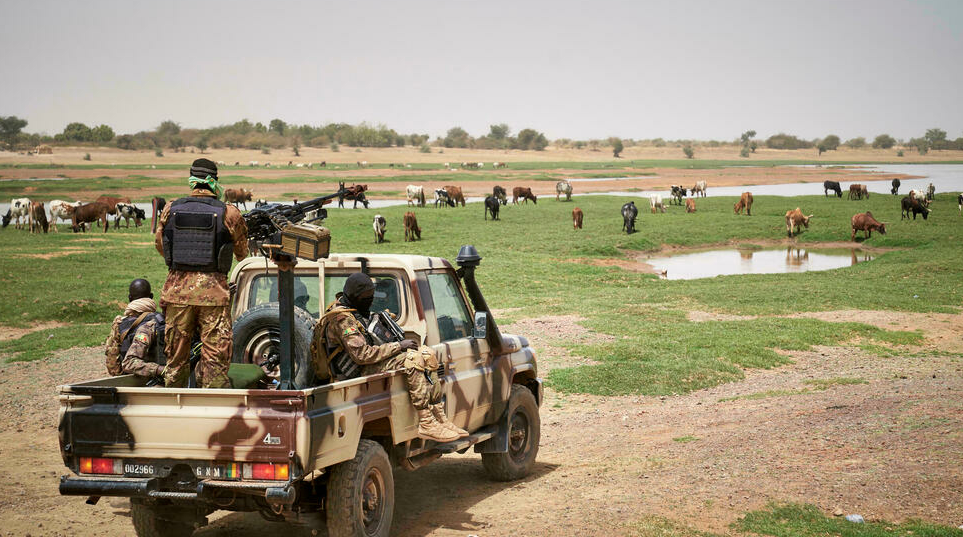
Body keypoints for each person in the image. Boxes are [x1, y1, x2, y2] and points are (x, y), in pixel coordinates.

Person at [312, 273, 467, 442]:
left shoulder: (355, 310)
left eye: (371, 296)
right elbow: (362, 355)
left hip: (370, 362)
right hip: (357, 371)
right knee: (413, 359)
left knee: (427, 354)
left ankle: (440, 417)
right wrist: (398, 346)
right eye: (366, 297)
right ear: (355, 297)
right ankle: (426, 422)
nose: (370, 300)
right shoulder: (341, 319)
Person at [154, 158, 248, 388]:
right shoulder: (229, 212)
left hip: (177, 295)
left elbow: (160, 245)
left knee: (175, 360)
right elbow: (242, 254)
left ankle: (173, 408)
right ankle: (213, 412)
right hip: (213, 297)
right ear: (214, 181)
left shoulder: (170, 208)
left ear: (192, 180)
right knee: (215, 361)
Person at [104, 279, 165, 380]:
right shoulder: (161, 321)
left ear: (130, 298)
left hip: (131, 381)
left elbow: (113, 366)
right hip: (160, 378)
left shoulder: (119, 324)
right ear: (151, 296)